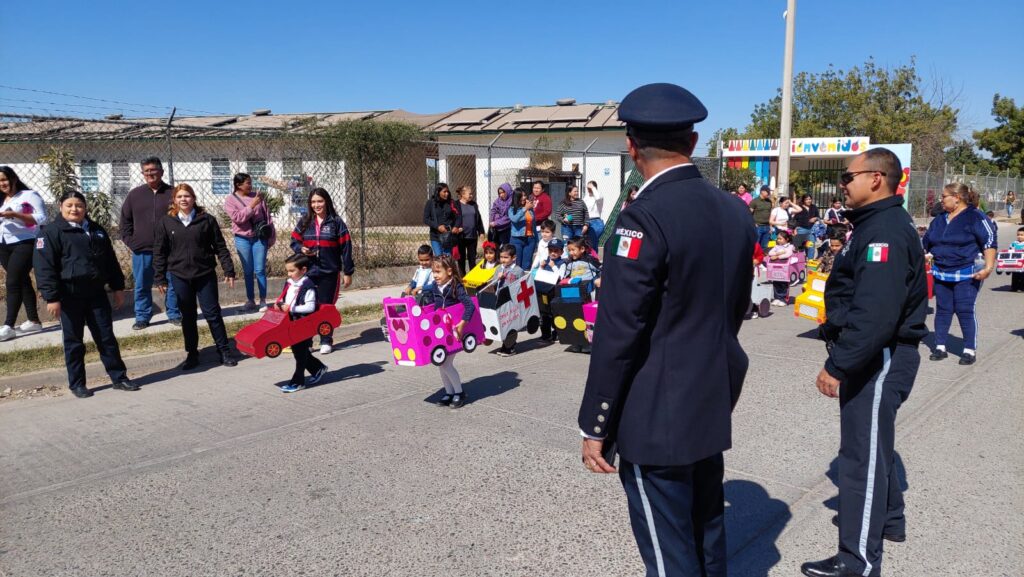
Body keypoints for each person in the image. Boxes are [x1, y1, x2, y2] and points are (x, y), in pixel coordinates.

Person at [578, 83, 754, 577]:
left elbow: (619, 332)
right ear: (693, 143)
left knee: (669, 554)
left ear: (631, 147)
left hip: (656, 413)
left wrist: (596, 423)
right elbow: (734, 306)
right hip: (710, 394)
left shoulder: (643, 218)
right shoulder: (733, 211)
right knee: (706, 537)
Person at [801, 148, 928, 577]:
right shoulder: (875, 224)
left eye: (847, 176)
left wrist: (838, 365)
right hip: (879, 354)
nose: (842, 184)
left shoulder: (883, 232)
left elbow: (875, 314)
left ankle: (857, 561)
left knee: (860, 459)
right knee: (874, 448)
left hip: (881, 357)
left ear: (876, 178)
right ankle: (889, 521)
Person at [33, 191, 136, 398]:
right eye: (69, 205)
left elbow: (111, 261)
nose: (74, 209)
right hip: (69, 296)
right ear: (61, 206)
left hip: (96, 294)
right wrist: (51, 297)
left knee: (106, 338)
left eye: (79, 205)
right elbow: (44, 268)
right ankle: (77, 383)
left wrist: (117, 287)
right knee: (74, 342)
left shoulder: (96, 230)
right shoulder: (51, 232)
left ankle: (119, 377)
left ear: (85, 208)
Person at [152, 183, 237, 370]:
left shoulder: (207, 220)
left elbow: (220, 248)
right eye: (180, 196)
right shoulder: (166, 222)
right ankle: (192, 353)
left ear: (194, 198)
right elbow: (159, 251)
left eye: (187, 196)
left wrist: (228, 270)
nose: (184, 199)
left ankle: (224, 351)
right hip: (180, 276)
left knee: (212, 314)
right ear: (174, 200)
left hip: (204, 274)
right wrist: (159, 277)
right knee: (188, 316)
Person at [921, 182, 997, 365]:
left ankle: (969, 349)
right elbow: (927, 241)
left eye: (944, 196)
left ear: (957, 197)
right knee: (943, 309)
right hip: (941, 272)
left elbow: (989, 242)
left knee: (964, 310)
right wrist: (925, 254)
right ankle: (940, 346)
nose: (941, 200)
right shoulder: (940, 219)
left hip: (967, 273)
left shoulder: (976, 217)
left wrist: (987, 268)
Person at [290, 188, 355, 355]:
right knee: (308, 307)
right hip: (308, 273)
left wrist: (348, 272)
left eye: (320, 201)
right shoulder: (305, 221)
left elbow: (346, 248)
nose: (316, 205)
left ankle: (326, 340)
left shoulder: (336, 222)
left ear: (326, 202)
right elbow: (294, 241)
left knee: (325, 308)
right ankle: (308, 341)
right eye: (313, 202)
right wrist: (301, 249)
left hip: (329, 272)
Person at [119, 156, 181, 330]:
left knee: (173, 283)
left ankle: (174, 313)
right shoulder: (134, 195)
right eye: (146, 171)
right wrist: (132, 242)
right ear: (142, 174)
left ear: (161, 172)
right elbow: (125, 223)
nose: (150, 174)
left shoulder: (173, 193)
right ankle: (142, 316)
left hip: (170, 250)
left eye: (153, 170)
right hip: (142, 251)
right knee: (142, 285)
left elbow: (183, 217)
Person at [0, 166, 46, 341]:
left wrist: (15, 215)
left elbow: (42, 218)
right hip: (4, 243)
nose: (2, 183)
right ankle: (34, 320)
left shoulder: (29, 195)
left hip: (25, 242)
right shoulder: (2, 199)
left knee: (12, 281)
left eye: (5, 179)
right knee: (22, 279)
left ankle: (8, 325)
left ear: (13, 178)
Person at [422, 254, 474, 409]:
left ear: (449, 271)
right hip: (440, 330)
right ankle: (449, 392)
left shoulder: (456, 287)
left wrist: (462, 324)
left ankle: (459, 392)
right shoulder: (434, 286)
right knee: (441, 363)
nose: (435, 276)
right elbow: (432, 302)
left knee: (446, 363)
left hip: (454, 330)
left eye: (438, 272)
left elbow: (470, 306)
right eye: (434, 272)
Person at [274, 254, 328, 393]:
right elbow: (286, 299)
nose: (289, 274)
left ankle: (298, 382)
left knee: (300, 353)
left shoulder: (308, 286)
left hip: (304, 323)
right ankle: (318, 368)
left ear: (303, 270)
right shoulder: (290, 283)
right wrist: (280, 304)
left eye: (292, 271)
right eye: (288, 271)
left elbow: (310, 307)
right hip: (292, 322)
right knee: (299, 351)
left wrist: (290, 308)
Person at [224, 173, 275, 313]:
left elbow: (267, 217)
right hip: (242, 239)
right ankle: (250, 300)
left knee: (260, 270)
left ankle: (263, 300)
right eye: (248, 183)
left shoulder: (257, 197)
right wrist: (252, 206)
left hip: (259, 238)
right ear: (238, 185)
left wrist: (271, 236)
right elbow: (238, 218)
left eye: (251, 182)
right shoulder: (230, 200)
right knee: (247, 271)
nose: (251, 185)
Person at [491, 245, 526, 357]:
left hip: (512, 301)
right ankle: (506, 344)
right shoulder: (498, 269)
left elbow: (522, 285)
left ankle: (510, 347)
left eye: (506, 257)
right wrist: (498, 278)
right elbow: (493, 284)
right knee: (503, 323)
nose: (503, 260)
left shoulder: (518, 271)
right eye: (501, 257)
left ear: (513, 257)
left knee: (511, 323)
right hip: (500, 300)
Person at [455, 185, 485, 276]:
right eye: (470, 194)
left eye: (472, 194)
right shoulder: (456, 204)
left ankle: (473, 278)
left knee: (472, 259)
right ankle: (463, 278)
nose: (471, 195)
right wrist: (455, 228)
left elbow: (478, 218)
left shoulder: (474, 204)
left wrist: (481, 231)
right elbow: (453, 218)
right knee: (461, 259)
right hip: (461, 236)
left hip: (472, 236)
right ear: (463, 194)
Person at [423, 183, 459, 257]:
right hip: (435, 236)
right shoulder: (431, 203)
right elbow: (425, 219)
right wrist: (437, 226)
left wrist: (456, 226)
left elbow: (458, 216)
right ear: (438, 192)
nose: (447, 194)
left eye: (447, 192)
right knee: (439, 258)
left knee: (447, 259)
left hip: (448, 236)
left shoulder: (451, 203)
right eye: (444, 192)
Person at [508, 189, 537, 269]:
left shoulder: (529, 208)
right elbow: (515, 219)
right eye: (522, 196)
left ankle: (524, 281)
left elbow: (533, 223)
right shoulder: (512, 209)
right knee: (517, 264)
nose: (524, 197)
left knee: (527, 265)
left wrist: (536, 239)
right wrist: (525, 209)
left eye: (525, 195)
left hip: (530, 239)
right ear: (517, 197)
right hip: (517, 239)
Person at [767, 230, 795, 306]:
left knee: (784, 283)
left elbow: (788, 254)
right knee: (776, 282)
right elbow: (770, 253)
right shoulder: (776, 246)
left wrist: (777, 256)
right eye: (777, 238)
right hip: (776, 267)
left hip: (785, 268)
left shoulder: (790, 246)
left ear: (787, 239)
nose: (778, 240)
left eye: (780, 238)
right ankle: (776, 297)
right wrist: (778, 253)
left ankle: (783, 299)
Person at [791, 193, 821, 259]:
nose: (808, 201)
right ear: (803, 200)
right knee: (800, 247)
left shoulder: (814, 207)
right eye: (806, 199)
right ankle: (800, 261)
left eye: (810, 199)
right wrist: (794, 229)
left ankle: (810, 262)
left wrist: (815, 218)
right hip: (801, 230)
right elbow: (794, 219)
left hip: (811, 230)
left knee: (811, 246)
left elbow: (818, 217)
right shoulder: (799, 208)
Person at [749, 185, 774, 253]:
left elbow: (770, 214)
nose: (769, 193)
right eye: (767, 192)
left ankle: (762, 261)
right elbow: (749, 214)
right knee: (756, 246)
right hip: (758, 227)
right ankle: (753, 261)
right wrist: (753, 224)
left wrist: (771, 226)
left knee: (764, 247)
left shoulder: (769, 202)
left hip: (767, 227)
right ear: (762, 191)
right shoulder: (754, 201)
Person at [583, 180, 605, 249]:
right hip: (587, 222)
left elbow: (598, 197)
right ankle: (592, 258)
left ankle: (594, 258)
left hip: (596, 222)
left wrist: (592, 187)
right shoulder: (586, 198)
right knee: (588, 243)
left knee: (592, 243)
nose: (589, 189)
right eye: (588, 188)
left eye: (590, 187)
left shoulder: (599, 196)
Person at [1009, 227, 1024, 292]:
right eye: (1018, 235)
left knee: (1022, 276)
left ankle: (1022, 287)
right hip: (1015, 263)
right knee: (1015, 275)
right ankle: (1014, 287)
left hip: (1023, 264)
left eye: (1021, 235)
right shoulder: (1014, 243)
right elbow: (1009, 251)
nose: (1019, 236)